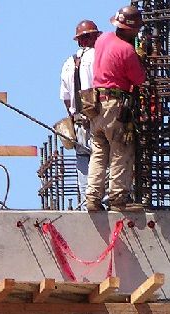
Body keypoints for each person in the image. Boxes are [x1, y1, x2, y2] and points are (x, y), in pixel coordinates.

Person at [84, 5, 146, 212]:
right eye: (136, 29)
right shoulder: (126, 50)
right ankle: (118, 200)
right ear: (130, 29)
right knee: (121, 149)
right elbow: (139, 79)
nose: (138, 32)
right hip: (114, 106)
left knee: (99, 151)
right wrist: (140, 58)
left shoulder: (103, 39)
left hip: (95, 105)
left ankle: (92, 198)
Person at [59, 20, 102, 208]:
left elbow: (66, 99)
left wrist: (74, 118)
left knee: (83, 163)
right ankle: (104, 203)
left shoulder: (68, 63)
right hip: (98, 119)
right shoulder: (99, 57)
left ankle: (88, 205)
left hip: (78, 123)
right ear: (93, 37)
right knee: (103, 161)